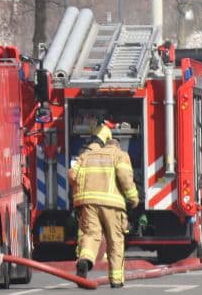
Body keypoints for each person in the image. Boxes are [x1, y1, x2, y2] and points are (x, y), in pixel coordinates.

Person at [69, 122, 138, 288]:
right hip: (112, 205)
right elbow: (124, 179)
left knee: (90, 235)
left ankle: (85, 260)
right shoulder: (120, 155)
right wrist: (134, 198)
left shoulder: (87, 155)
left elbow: (72, 175)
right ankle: (116, 280)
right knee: (115, 240)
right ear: (117, 145)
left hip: (87, 203)